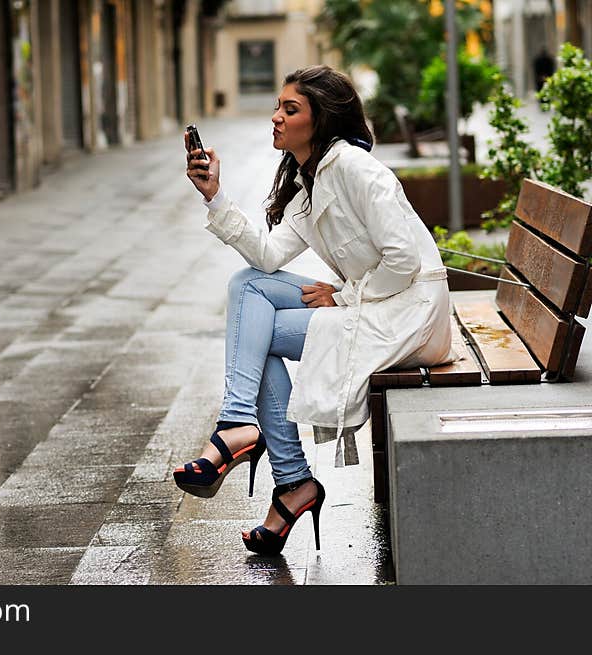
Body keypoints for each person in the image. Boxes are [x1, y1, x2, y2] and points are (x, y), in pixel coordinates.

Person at [173, 65, 455, 556]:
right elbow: (265, 255)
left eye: (291, 109)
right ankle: (261, 447)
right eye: (278, 108)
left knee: (255, 332)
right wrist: (215, 195)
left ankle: (274, 463)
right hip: (379, 304)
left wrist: (343, 296)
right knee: (249, 288)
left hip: (410, 314)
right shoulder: (310, 183)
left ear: (320, 119)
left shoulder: (354, 168)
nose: (277, 118)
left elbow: (405, 261)